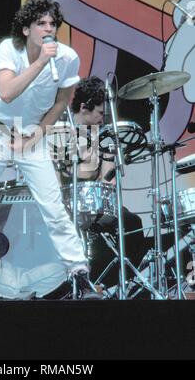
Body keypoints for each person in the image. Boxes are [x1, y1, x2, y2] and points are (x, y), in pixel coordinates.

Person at [0, 0, 101, 300]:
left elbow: (61, 103)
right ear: (27, 29)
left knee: (54, 208)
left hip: (32, 136)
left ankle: (80, 276)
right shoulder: (10, 49)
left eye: (52, 23)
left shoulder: (67, 57)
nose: (48, 28)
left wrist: (36, 137)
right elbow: (6, 93)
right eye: (40, 23)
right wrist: (41, 61)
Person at [63, 76, 143, 284]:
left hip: (95, 202)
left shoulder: (102, 133)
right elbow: (72, 174)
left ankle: (118, 285)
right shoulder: (60, 131)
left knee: (133, 222)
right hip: (66, 203)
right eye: (100, 113)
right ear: (83, 108)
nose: (103, 118)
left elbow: (109, 181)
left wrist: (107, 154)